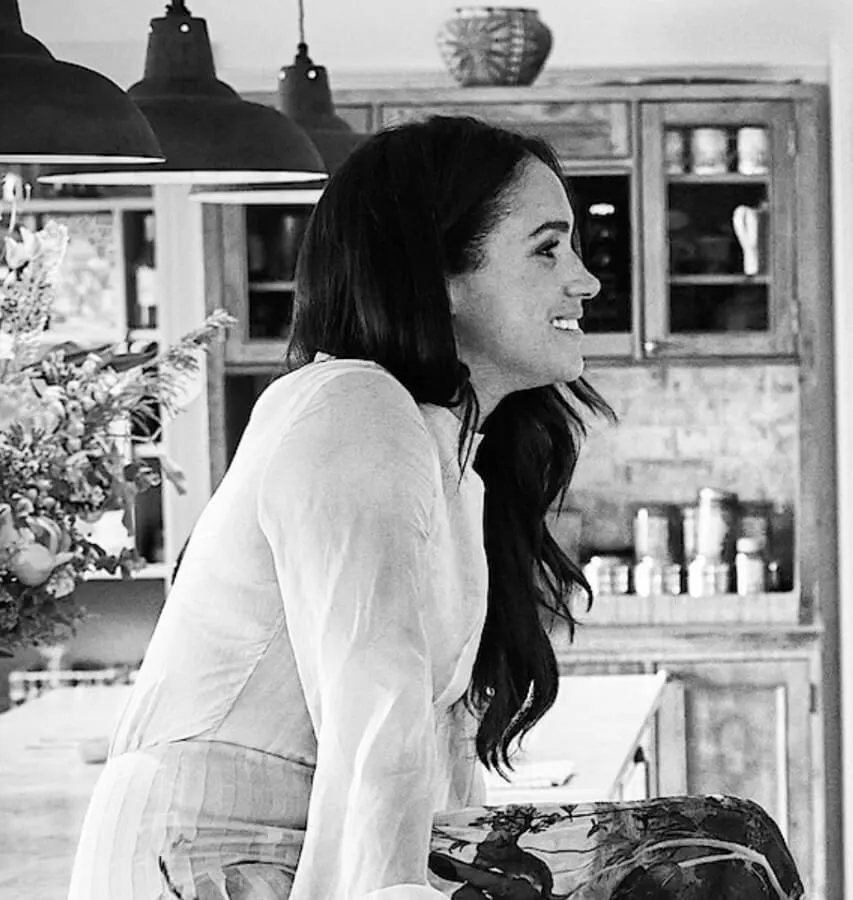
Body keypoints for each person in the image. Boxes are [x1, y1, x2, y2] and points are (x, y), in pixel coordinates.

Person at [69, 115, 613, 899]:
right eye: (547, 248)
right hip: (204, 857)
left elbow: (422, 741)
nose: (585, 280)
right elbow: (375, 725)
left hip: (269, 852)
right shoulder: (352, 407)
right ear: (439, 273)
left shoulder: (447, 458)